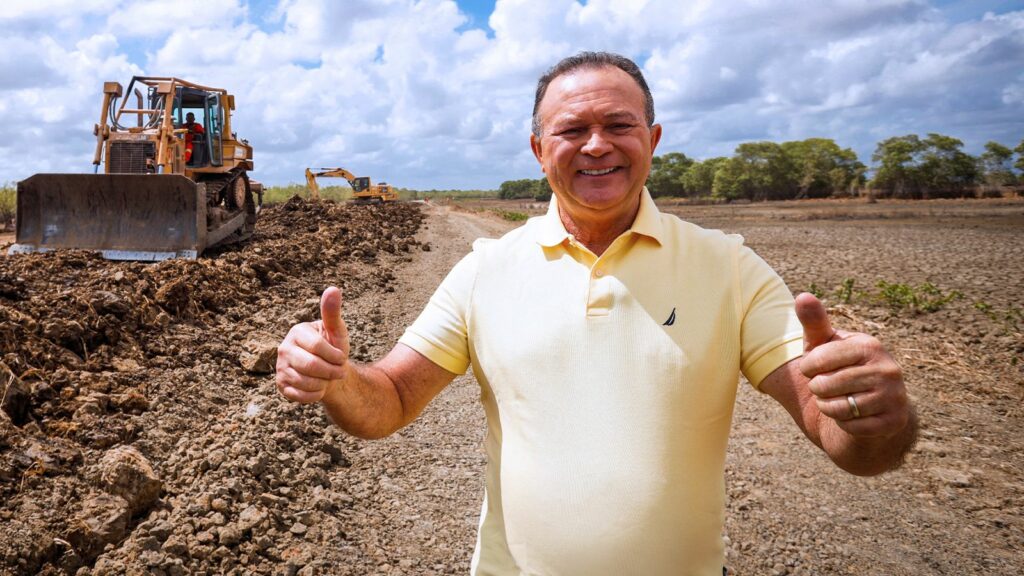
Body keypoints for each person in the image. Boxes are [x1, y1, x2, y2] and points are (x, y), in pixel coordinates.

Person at [275, 51, 917, 575]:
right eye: (572, 130)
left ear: (653, 139)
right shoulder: (485, 269)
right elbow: (387, 402)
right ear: (537, 149)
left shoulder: (729, 268)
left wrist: (874, 418)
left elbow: (849, 446)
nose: (596, 145)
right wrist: (338, 380)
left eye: (618, 124)